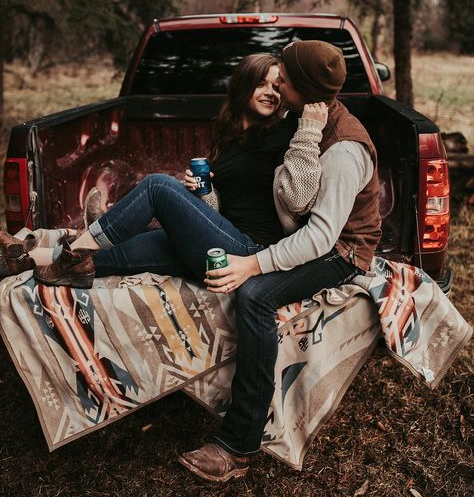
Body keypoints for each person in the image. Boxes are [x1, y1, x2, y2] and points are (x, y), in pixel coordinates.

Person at [177, 39, 382, 483]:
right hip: (303, 236)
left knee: (254, 296)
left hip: (342, 251)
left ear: (303, 90)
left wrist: (255, 264)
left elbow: (321, 238)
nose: (276, 84)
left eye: (283, 80)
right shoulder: (301, 117)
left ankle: (239, 444)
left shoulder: (345, 150)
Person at [0, 53, 324, 283]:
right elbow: (224, 205)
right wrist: (204, 193)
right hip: (219, 239)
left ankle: (83, 240)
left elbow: (300, 194)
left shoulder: (286, 133)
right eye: (260, 84)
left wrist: (310, 126)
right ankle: (26, 261)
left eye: (276, 87)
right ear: (242, 87)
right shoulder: (229, 137)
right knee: (118, 254)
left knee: (158, 186)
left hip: (251, 250)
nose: (270, 92)